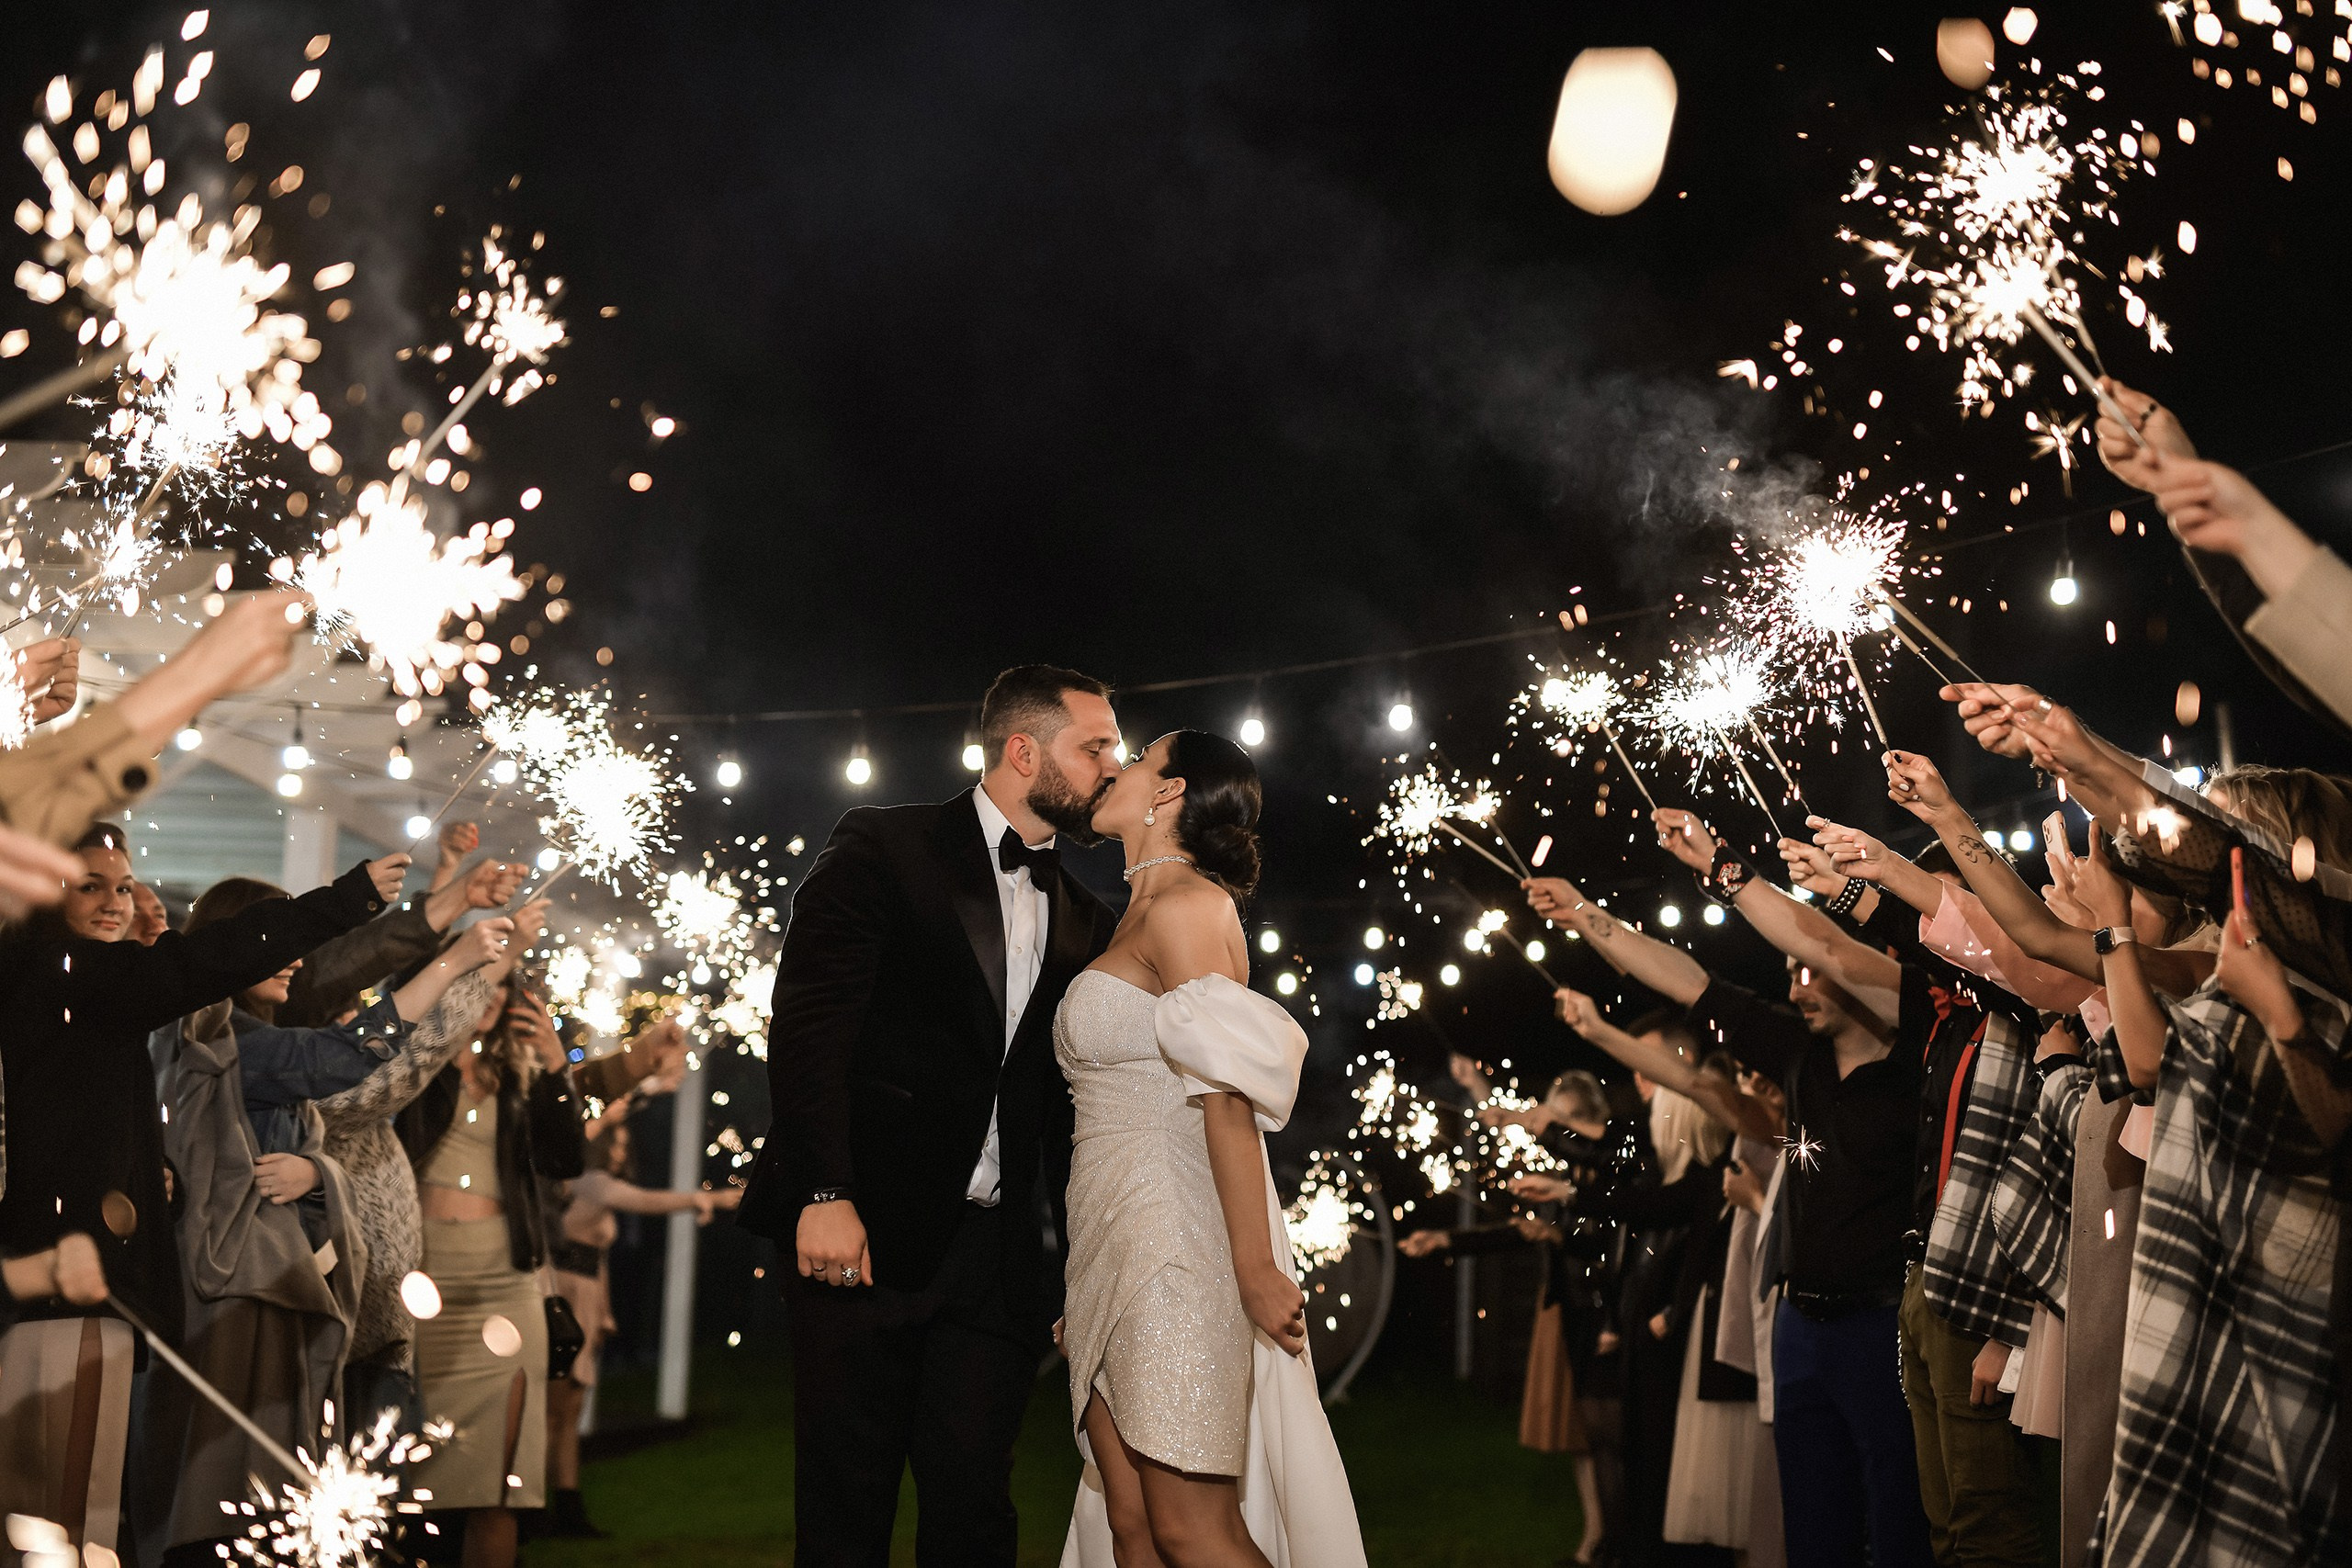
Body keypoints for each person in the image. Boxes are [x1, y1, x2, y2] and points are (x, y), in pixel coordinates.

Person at [736, 664, 1124, 1565]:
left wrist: (1077, 1267)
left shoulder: (1089, 918)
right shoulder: (884, 844)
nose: (1113, 763)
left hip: (994, 1269)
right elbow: (809, 1028)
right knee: (845, 1509)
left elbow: (1069, 1116)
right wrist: (823, 1190)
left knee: (976, 1514)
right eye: (1094, 745)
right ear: (1024, 751)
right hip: (859, 1238)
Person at [0, 825, 401, 1556]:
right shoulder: (70, 978)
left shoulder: (71, 984)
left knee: (74, 1512)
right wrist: (350, 898)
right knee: (62, 1511)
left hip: (86, 1278)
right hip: (67, 1284)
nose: (113, 901)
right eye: (88, 885)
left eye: (123, 885)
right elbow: (211, 961)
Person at [1526, 863, 1934, 1568]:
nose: (1796, 987)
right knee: (1813, 1525)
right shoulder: (1797, 1053)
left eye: (1808, 971)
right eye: (1789, 974)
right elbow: (1687, 982)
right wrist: (1587, 912)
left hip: (1882, 1324)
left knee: (1897, 1519)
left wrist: (1726, 866)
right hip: (1799, 1327)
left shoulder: (1919, 1060)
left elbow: (1834, 955)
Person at [136, 883, 519, 1567]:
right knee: (231, 1498)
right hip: (234, 1302)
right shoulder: (216, 1038)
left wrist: (319, 1174)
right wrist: (455, 957)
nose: (297, 961)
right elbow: (341, 1059)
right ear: (234, 945)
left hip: (272, 1295)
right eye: (279, 943)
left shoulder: (240, 1035)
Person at [1056, 728, 1363, 1567]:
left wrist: (1256, 1265)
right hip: (1110, 1247)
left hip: (1176, 1249)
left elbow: (1224, 1096)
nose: (1115, 768)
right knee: (1134, 1532)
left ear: (1168, 792)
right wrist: (1088, 1282)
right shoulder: (1137, 912)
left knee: (1196, 1530)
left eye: (1138, 757)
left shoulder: (1193, 906)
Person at [400, 972, 589, 1568]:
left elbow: (567, 1158)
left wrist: (557, 1066)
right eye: (474, 984)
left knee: (498, 1485)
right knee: (409, 1478)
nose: (489, 1001)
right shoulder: (414, 1067)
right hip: (419, 1279)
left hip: (503, 1282)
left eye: (499, 991)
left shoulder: (520, 1076)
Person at [1402, 1067, 1616, 1566]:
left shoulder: (1605, 1170)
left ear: (1589, 1120)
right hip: (1563, 1307)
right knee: (1578, 1437)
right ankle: (1595, 1538)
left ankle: (1610, 1543)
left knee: (1603, 1435)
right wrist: (1444, 1241)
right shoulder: (1561, 1173)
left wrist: (1563, 1237)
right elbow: (1518, 1231)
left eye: (1563, 1120)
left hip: (1603, 1318)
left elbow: (1612, 1237)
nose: (1551, 1130)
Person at [541, 1105, 739, 1538]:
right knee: (552, 1413)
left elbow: (600, 1260)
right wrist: (713, 1198)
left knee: (569, 1412)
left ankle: (567, 1507)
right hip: (564, 1297)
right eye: (615, 1143)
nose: (620, 1152)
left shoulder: (595, 1186)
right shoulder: (590, 1184)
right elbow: (650, 1202)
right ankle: (532, 1509)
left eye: (625, 1145)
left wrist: (605, 1311)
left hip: (586, 1297)